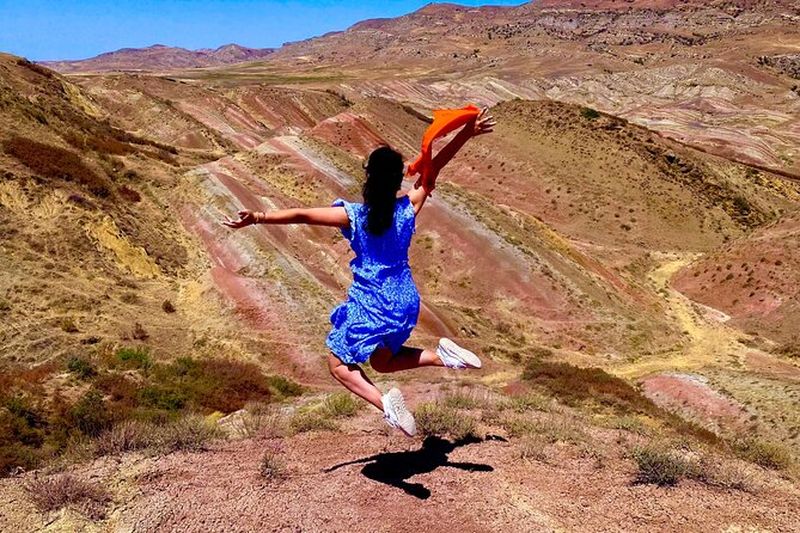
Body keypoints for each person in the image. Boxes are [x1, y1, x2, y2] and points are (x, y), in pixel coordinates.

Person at [223, 108, 496, 436]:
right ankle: (444, 357)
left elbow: (304, 215)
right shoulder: (408, 207)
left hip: (373, 302)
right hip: (405, 301)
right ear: (397, 181)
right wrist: (466, 133)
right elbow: (434, 168)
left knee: (337, 363)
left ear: (368, 178)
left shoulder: (354, 216)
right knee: (382, 362)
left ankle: (386, 406)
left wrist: (258, 217)